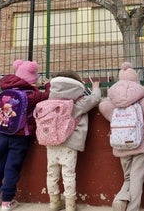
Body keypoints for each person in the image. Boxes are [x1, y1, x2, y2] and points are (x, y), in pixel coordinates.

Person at [98, 62, 144, 211]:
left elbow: (102, 106)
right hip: (141, 142)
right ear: (136, 80)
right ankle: (132, 208)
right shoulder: (142, 98)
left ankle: (120, 199)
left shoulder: (113, 100)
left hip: (121, 142)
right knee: (137, 179)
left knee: (128, 177)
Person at [0, 59, 50, 211]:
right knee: (12, 167)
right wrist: (48, 84)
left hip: (2, 133)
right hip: (21, 136)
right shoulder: (32, 95)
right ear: (32, 79)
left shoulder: (6, 90)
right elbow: (49, 94)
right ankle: (7, 201)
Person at [44, 70, 101, 211]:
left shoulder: (50, 102)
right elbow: (95, 99)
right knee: (68, 173)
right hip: (70, 144)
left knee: (51, 172)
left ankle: (54, 202)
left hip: (51, 142)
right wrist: (96, 88)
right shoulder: (78, 102)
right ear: (77, 86)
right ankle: (70, 205)